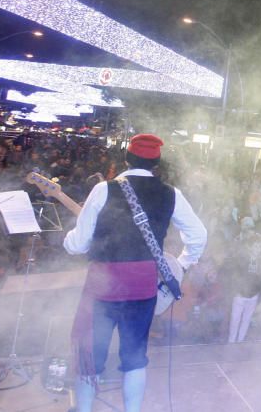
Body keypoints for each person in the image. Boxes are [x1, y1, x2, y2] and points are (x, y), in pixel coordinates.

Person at [63, 134, 207, 412]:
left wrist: (67, 241)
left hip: (103, 285)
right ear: (157, 163)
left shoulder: (104, 190)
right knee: (135, 356)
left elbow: (79, 244)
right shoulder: (171, 194)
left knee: (90, 353)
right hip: (143, 284)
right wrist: (183, 263)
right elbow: (198, 235)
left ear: (126, 159)